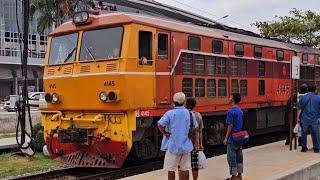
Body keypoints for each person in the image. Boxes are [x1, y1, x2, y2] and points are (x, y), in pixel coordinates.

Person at [158, 92, 200, 180]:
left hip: (173, 146)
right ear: (184, 101)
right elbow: (195, 129)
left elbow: (160, 124)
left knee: (171, 169)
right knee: (185, 169)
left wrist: (165, 133)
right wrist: (196, 143)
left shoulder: (169, 113)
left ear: (174, 101)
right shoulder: (189, 114)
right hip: (186, 145)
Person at [178, 98, 204, 180]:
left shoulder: (181, 114)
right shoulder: (198, 115)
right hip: (194, 144)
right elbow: (199, 131)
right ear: (195, 106)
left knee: (183, 165)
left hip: (183, 144)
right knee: (194, 165)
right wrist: (200, 144)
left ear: (185, 104)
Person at [223, 93, 244, 180]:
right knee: (239, 156)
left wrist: (226, 138)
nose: (229, 98)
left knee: (231, 157)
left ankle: (233, 176)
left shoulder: (230, 111)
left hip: (232, 137)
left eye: (230, 96)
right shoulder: (240, 110)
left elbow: (230, 125)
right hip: (239, 137)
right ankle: (239, 175)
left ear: (233, 99)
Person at [297, 83, 320, 153]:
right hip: (314, 119)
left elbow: (299, 109)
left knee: (304, 134)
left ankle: (304, 148)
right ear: (315, 89)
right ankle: (316, 148)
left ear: (307, 89)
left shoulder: (302, 98)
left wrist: (298, 118)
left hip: (304, 119)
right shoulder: (318, 98)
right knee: (315, 133)